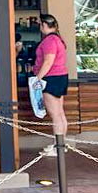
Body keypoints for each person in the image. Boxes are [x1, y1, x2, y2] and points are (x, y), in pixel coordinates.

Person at [33, 15, 69, 157]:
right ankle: (60, 144)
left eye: (40, 24)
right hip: (61, 77)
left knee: (55, 114)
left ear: (44, 25)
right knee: (60, 113)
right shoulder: (58, 39)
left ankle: (58, 147)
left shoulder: (49, 41)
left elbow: (48, 61)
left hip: (51, 78)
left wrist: (37, 78)